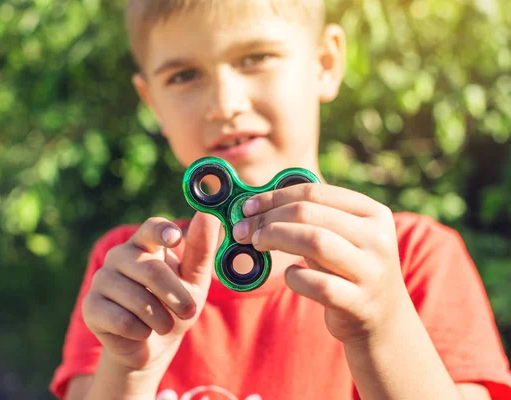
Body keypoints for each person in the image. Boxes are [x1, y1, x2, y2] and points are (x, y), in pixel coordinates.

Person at [50, 1, 511, 399]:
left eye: (255, 57)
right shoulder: (135, 270)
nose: (225, 103)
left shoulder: (412, 258)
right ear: (152, 103)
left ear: (324, 64)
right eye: (185, 75)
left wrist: (383, 328)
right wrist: (130, 369)